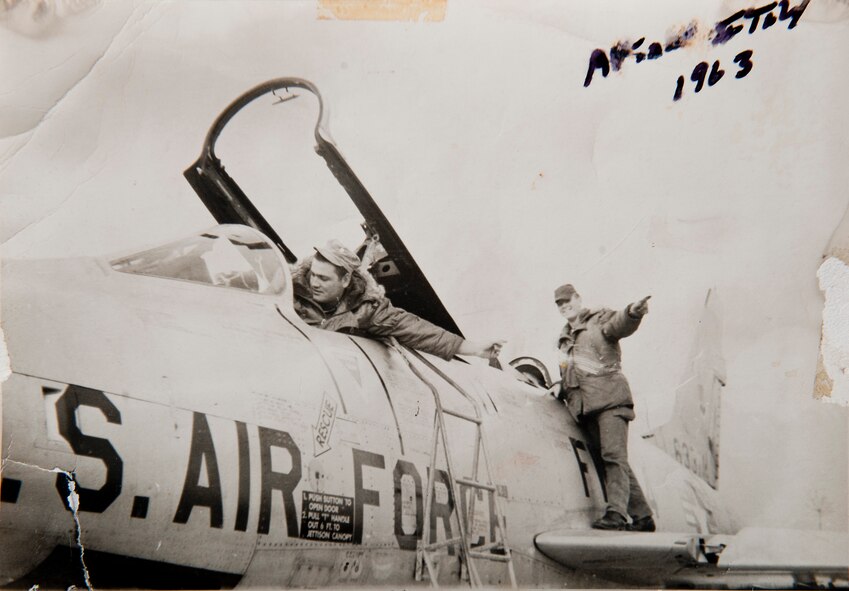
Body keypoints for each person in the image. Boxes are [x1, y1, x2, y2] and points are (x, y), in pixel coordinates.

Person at [549, 283, 655, 532]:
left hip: (609, 401)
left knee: (613, 457)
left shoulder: (598, 319)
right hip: (585, 408)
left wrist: (632, 312)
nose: (564, 306)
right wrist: (559, 385)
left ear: (578, 298)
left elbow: (619, 324)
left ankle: (616, 514)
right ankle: (643, 517)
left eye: (567, 300)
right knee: (611, 459)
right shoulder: (564, 340)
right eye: (560, 304)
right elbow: (569, 372)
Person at [291, 239, 503, 361]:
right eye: (313, 274)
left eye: (323, 278)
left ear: (345, 280)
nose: (314, 283)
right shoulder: (291, 292)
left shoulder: (367, 308)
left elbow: (416, 330)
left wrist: (474, 349)